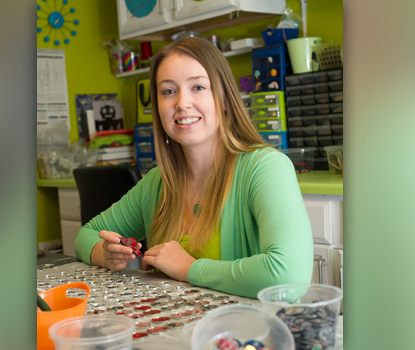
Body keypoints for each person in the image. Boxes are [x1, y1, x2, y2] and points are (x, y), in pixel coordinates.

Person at [75, 37, 313, 298]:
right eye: (168, 91)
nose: (181, 103)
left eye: (198, 87)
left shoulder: (265, 168)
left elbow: (288, 277)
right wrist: (105, 254)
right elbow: (85, 236)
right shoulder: (158, 182)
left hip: (250, 335)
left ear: (224, 99)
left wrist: (189, 268)